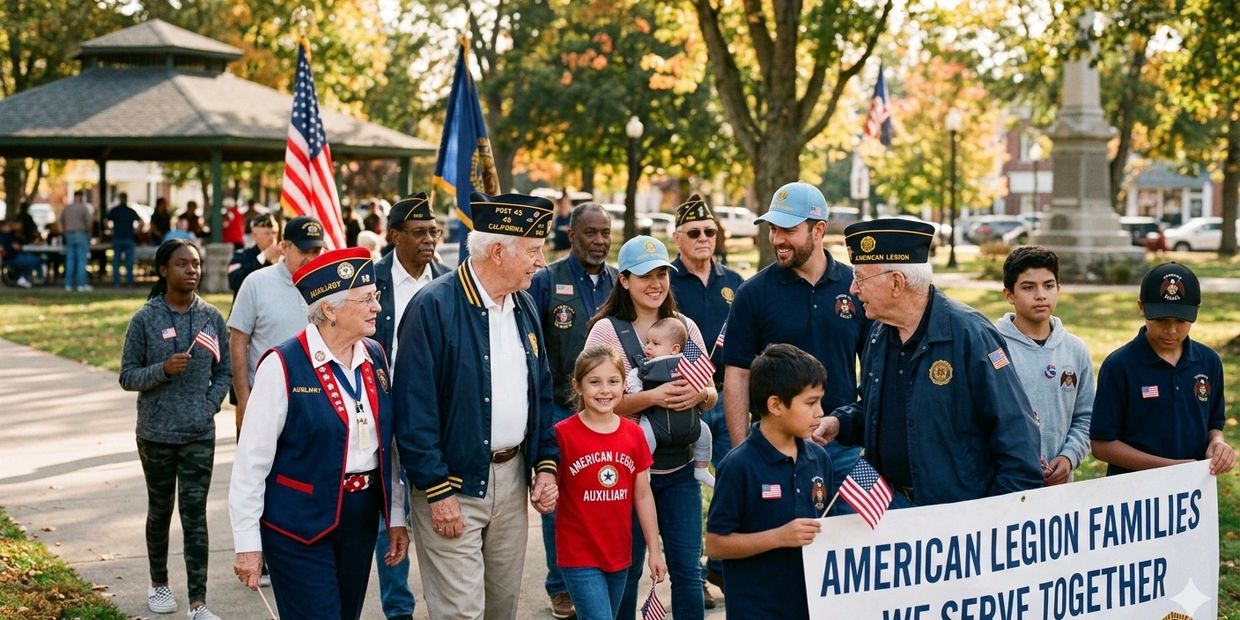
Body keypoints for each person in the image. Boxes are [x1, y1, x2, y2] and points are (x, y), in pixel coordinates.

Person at [393, 191, 560, 620]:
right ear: (499, 251)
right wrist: (436, 490)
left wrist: (544, 465)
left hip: (512, 478)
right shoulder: (432, 306)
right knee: (461, 614)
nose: (541, 262)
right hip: (452, 485)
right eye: (534, 251)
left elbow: (539, 391)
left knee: (501, 610)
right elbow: (414, 411)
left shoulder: (523, 303)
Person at [230, 247, 409, 619]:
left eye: (376, 297)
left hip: (359, 518)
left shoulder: (374, 356)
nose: (377, 307)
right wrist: (247, 543)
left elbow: (386, 446)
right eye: (366, 299)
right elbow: (251, 462)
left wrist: (394, 517)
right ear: (329, 310)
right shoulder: (283, 364)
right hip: (298, 523)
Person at [816, 218, 1043, 506]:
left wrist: (991, 522)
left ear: (897, 283)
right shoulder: (880, 333)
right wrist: (839, 422)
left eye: (860, 278)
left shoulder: (970, 335)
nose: (852, 290)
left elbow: (1018, 442)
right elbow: (881, 410)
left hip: (952, 520)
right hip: (885, 507)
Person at [584, 235, 716, 620]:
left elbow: (710, 390)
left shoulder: (684, 327)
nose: (656, 283)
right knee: (625, 569)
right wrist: (652, 399)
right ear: (624, 280)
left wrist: (698, 397)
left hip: (679, 471)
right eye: (645, 275)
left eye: (662, 273)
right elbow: (597, 403)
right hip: (625, 472)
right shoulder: (606, 333)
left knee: (688, 573)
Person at [119, 239, 231, 619]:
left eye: (196, 264)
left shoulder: (211, 317)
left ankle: (198, 603)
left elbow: (225, 371)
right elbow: (127, 376)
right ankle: (159, 584)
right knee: (160, 509)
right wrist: (162, 370)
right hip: (156, 434)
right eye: (183, 264)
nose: (192, 270)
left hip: (199, 432)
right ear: (164, 270)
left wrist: (208, 405)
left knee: (195, 514)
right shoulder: (145, 319)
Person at [706, 343, 842, 619]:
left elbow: (827, 525)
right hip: (757, 608)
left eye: (820, 401)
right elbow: (716, 544)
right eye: (810, 402)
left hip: (808, 605)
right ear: (776, 405)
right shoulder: (738, 465)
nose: (820, 412)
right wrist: (779, 537)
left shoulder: (819, 458)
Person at [528, 201, 616, 619]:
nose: (599, 241)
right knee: (559, 498)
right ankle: (559, 584)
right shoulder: (547, 281)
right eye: (590, 233)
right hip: (560, 410)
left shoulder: (619, 282)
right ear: (571, 235)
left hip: (608, 411)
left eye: (605, 233)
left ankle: (596, 574)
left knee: (598, 496)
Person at [371, 192, 448, 620]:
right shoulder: (372, 280)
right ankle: (398, 609)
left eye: (433, 232)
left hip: (433, 414)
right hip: (382, 410)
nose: (428, 239)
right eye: (418, 232)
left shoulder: (449, 282)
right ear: (395, 235)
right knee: (390, 509)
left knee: (435, 505)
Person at [1090, 262, 1235, 477]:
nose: (1171, 330)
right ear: (1141, 308)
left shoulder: (1209, 361)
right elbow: (1101, 444)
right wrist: (1169, 469)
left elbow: (1214, 423)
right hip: (1134, 496)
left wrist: (1217, 442)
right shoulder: (1119, 366)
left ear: (1196, 311)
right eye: (1160, 320)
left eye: (1180, 320)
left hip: (1193, 492)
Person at [555, 345, 667, 620]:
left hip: (619, 552)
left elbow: (642, 495)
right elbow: (548, 488)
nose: (605, 390)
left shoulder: (632, 433)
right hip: (579, 554)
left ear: (624, 385)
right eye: (595, 382)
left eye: (613, 381)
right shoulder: (562, 435)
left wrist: (654, 550)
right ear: (577, 386)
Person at [996, 246, 1094, 485]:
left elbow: (1086, 418)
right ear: (1009, 294)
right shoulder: (991, 347)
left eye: (1048, 286)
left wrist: (1069, 457)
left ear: (1059, 289)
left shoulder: (1075, 350)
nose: (1041, 295)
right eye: (1028, 287)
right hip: (1005, 485)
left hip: (1058, 489)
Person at [228, 216, 324, 434]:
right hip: (264, 401)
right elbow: (237, 342)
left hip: (317, 404)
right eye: (303, 251)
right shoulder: (256, 283)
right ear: (284, 247)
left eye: (316, 252)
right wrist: (244, 400)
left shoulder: (329, 287)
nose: (310, 259)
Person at [626, 317, 715, 488]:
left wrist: (701, 392)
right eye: (647, 342)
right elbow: (634, 378)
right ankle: (644, 472)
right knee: (644, 437)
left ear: (675, 349)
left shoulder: (689, 361)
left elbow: (708, 388)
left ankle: (702, 468)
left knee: (705, 434)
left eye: (655, 343)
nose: (648, 347)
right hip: (655, 421)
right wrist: (641, 393)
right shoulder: (646, 366)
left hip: (689, 421)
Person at [226, 213, 280, 297]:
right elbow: (234, 282)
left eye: (274, 233)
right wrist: (262, 258)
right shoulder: (241, 256)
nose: (272, 237)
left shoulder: (283, 258)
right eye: (267, 233)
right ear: (254, 235)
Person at [60, 189, 93, 291]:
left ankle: (68, 284)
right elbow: (89, 223)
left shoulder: (67, 208)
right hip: (80, 234)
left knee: (70, 260)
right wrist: (89, 234)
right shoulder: (84, 208)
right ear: (81, 197)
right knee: (81, 260)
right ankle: (81, 284)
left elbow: (61, 221)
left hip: (68, 235)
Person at [107, 192, 141, 288]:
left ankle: (116, 283)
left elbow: (106, 220)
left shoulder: (114, 210)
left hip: (117, 237)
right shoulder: (130, 210)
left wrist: (110, 231)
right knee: (129, 262)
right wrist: (136, 231)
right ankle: (129, 282)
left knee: (116, 262)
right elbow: (140, 221)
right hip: (129, 237)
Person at [0, 220, 42, 288]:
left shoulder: (10, 235)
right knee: (35, 260)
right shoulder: (5, 236)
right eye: (7, 226)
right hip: (12, 257)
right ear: (2, 227)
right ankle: (24, 278)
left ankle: (24, 278)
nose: (9, 227)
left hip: (12, 257)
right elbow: (17, 247)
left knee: (30, 260)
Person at [551, 194, 573, 259]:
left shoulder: (574, 219)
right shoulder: (555, 219)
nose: (564, 206)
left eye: (566, 204)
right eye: (562, 204)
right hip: (557, 253)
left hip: (570, 253)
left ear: (570, 205)